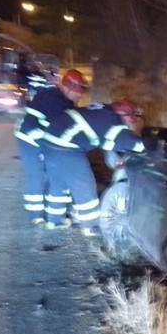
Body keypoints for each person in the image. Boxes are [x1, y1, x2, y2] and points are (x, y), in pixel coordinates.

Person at [39, 100, 145, 236]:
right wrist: (149, 147)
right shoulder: (113, 121)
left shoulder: (101, 110)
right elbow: (129, 143)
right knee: (84, 183)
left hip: (48, 141)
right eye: (130, 120)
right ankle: (90, 226)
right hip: (66, 147)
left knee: (58, 183)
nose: (130, 124)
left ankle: (54, 221)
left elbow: (104, 138)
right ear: (125, 115)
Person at [14, 68, 88, 225]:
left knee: (51, 173)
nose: (79, 95)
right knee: (36, 174)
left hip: (41, 134)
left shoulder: (64, 101)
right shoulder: (53, 100)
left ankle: (52, 212)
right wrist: (43, 150)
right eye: (76, 92)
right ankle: (36, 215)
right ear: (66, 87)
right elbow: (51, 129)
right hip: (29, 136)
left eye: (80, 92)